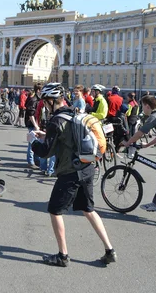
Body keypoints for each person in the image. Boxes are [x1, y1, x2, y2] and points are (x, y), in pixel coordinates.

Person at [29, 83, 116, 266]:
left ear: (51, 101)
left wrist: (33, 142)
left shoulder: (56, 120)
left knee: (54, 210)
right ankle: (109, 250)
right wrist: (45, 135)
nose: (44, 105)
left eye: (45, 102)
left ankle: (63, 256)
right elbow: (68, 139)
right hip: (88, 167)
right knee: (89, 209)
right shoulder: (75, 113)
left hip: (70, 172)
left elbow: (46, 152)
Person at [24, 83, 43, 169]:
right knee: (32, 142)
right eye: (42, 90)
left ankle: (36, 160)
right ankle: (30, 161)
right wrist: (35, 125)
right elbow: (31, 114)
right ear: (38, 90)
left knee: (37, 142)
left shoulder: (38, 99)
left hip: (36, 124)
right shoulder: (34, 100)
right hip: (33, 124)